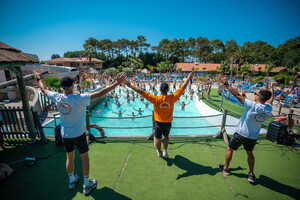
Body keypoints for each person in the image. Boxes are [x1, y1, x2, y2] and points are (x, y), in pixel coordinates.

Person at [34, 71, 126, 195]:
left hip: (65, 135)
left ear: (62, 87)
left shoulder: (57, 96)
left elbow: (43, 89)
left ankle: (72, 181)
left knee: (69, 157)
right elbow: (101, 92)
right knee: (84, 158)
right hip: (79, 134)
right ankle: (87, 184)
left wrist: (39, 79)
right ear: (72, 86)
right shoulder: (79, 98)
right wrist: (117, 83)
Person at [217, 77, 273, 183]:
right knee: (250, 153)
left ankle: (226, 168)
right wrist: (271, 88)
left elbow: (237, 94)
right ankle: (251, 174)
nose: (254, 94)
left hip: (241, 134)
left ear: (258, 97)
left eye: (256, 93)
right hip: (253, 136)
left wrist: (226, 83)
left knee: (230, 148)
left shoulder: (252, 106)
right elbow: (270, 99)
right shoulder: (268, 108)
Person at [125, 72, 193, 158]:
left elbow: (142, 92)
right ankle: (165, 151)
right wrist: (188, 78)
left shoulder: (155, 99)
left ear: (160, 90)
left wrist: (130, 85)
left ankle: (159, 151)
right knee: (166, 137)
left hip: (158, 123)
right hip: (168, 122)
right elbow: (182, 88)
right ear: (168, 90)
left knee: (157, 138)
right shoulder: (172, 98)